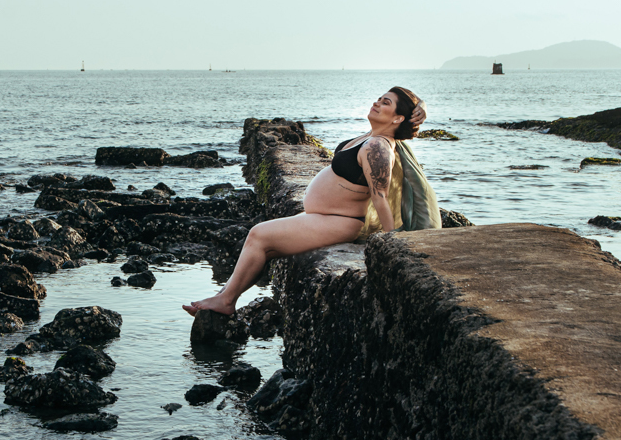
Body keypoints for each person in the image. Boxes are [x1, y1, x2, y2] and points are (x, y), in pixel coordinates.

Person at [183, 87, 438, 317]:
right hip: (327, 216)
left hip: (342, 221)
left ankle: (226, 301)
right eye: (379, 98)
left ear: (397, 118)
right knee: (264, 246)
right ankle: (223, 298)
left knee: (259, 235)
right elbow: (413, 107)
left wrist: (391, 245)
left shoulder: (378, 147)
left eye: (386, 102)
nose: (377, 103)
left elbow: (380, 196)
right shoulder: (370, 137)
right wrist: (422, 106)